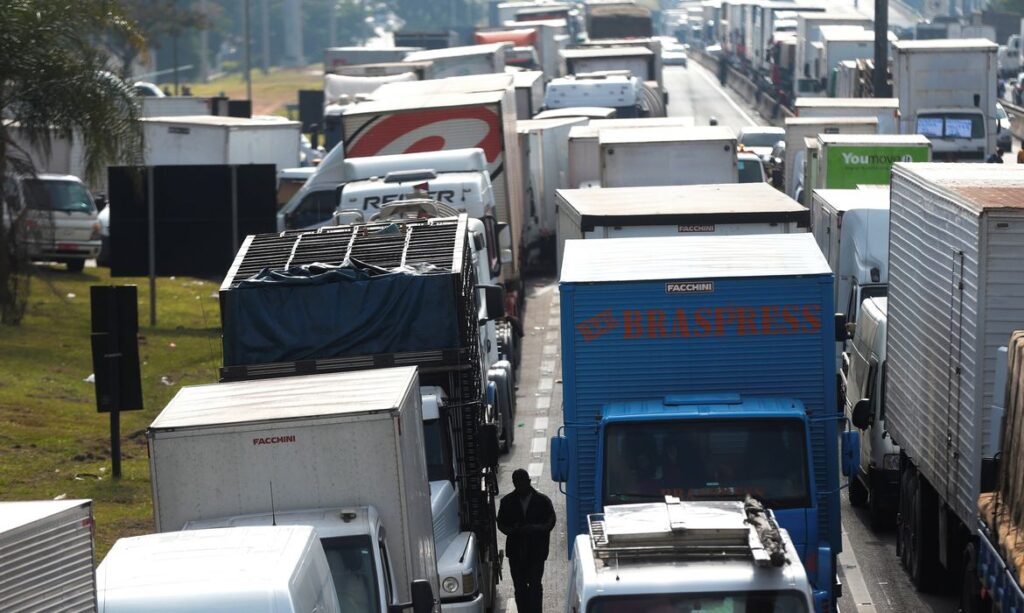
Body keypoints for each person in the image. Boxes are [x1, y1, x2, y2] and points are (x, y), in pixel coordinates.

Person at [497, 469, 556, 613]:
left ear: (529, 482)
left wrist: (535, 529)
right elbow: (501, 523)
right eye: (518, 483)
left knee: (535, 586)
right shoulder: (507, 502)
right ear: (514, 484)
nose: (521, 486)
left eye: (523, 483)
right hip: (516, 554)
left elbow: (551, 521)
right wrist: (514, 530)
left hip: (536, 553)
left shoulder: (542, 501)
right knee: (520, 587)